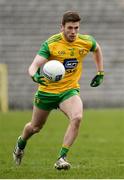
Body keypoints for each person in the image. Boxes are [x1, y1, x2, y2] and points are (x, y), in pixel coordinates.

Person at [13, 11, 104, 170]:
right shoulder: (51, 43)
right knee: (35, 127)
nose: (73, 32)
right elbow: (33, 66)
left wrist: (100, 72)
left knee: (77, 117)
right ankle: (20, 145)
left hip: (69, 91)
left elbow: (97, 49)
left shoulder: (85, 41)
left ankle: (61, 158)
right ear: (61, 27)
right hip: (47, 92)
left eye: (76, 28)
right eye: (70, 28)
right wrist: (34, 76)